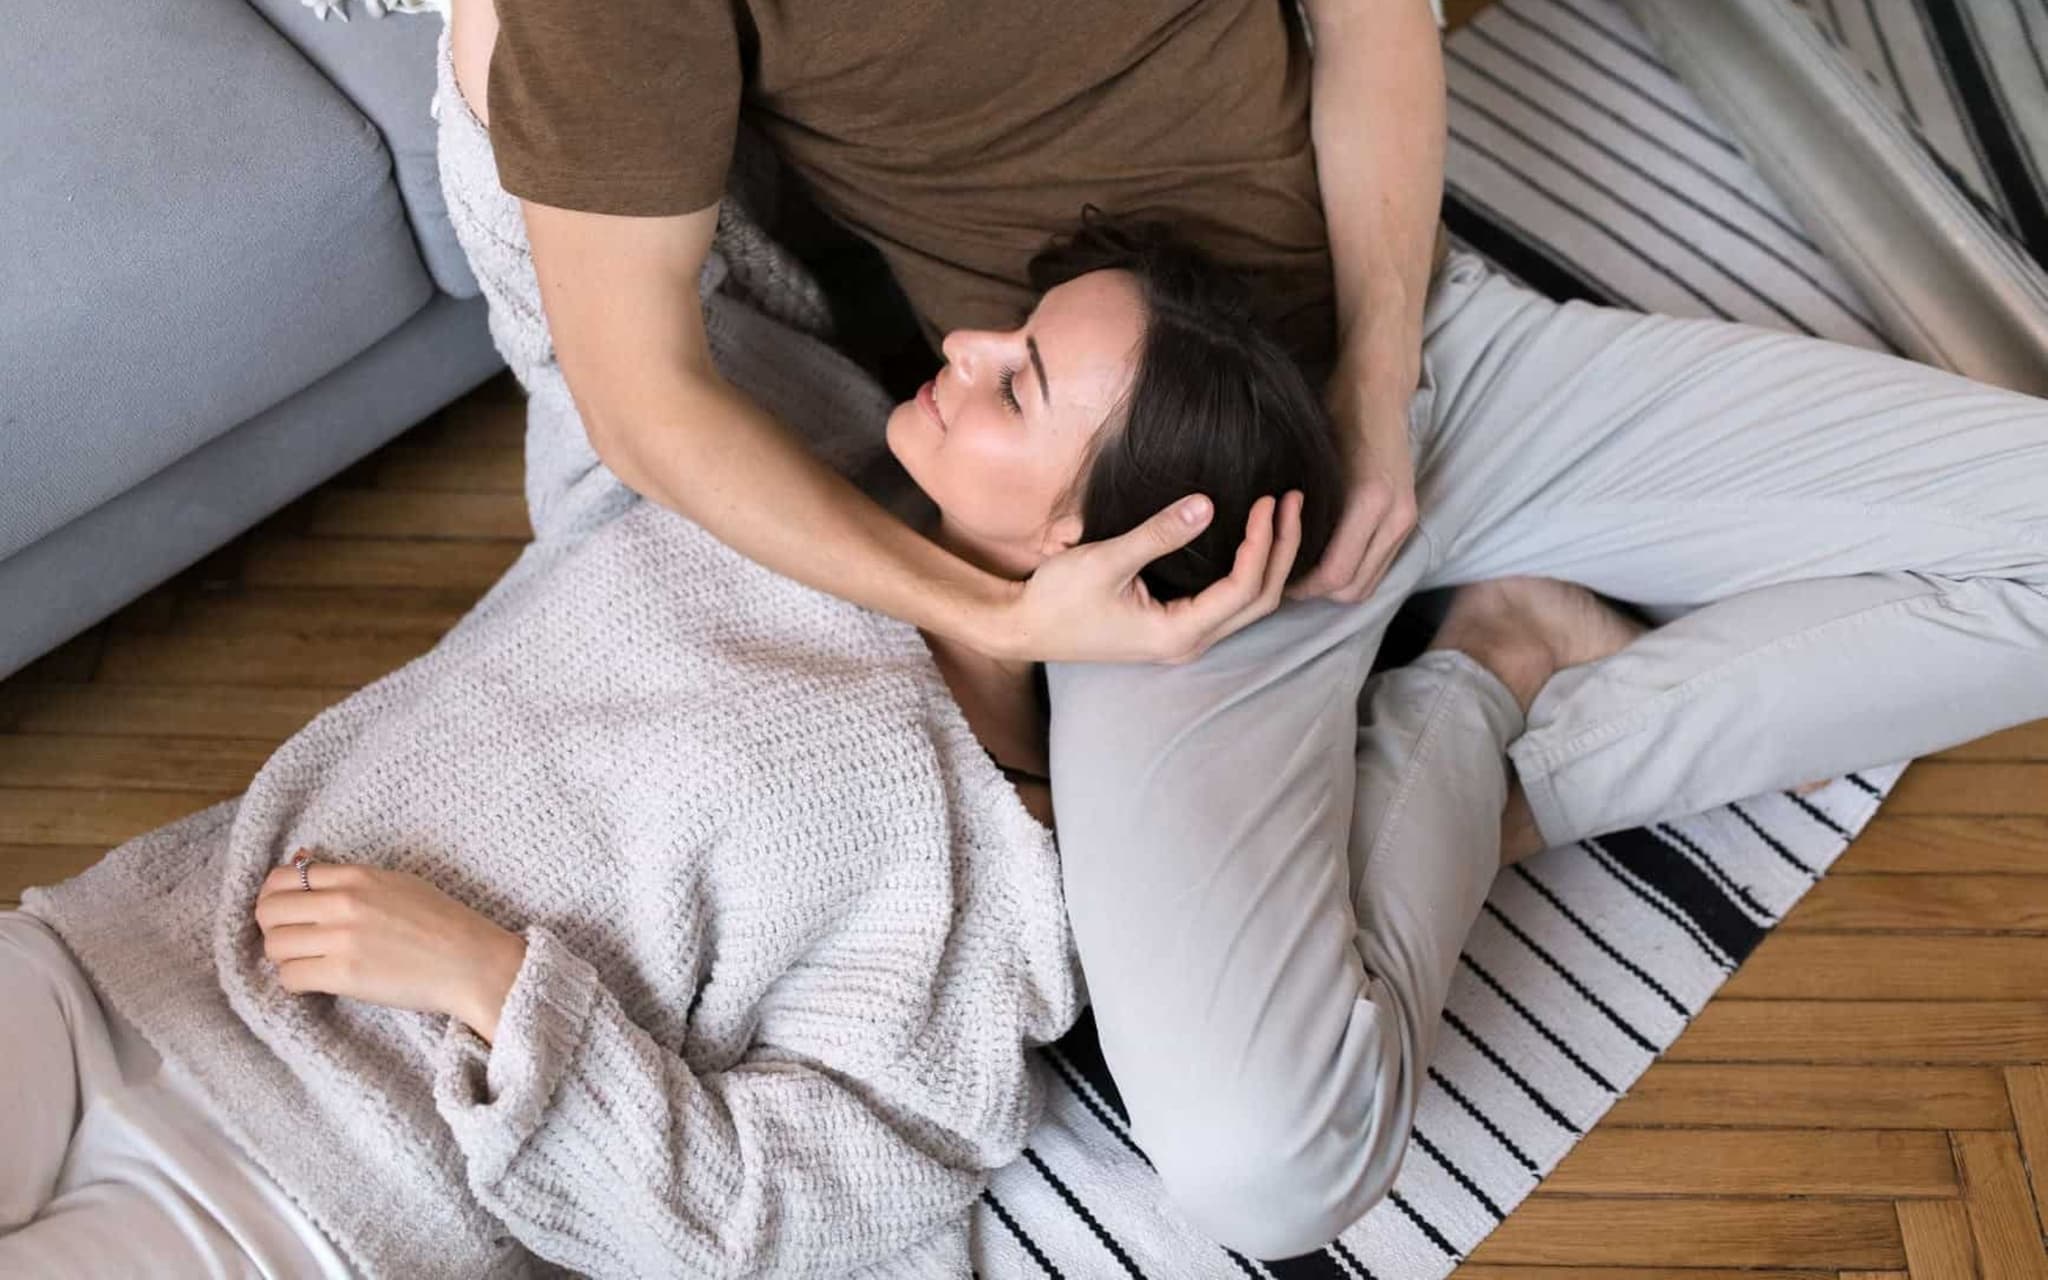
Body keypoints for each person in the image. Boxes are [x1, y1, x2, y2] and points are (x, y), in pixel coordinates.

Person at [5, 212, 1496, 1278]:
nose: (967, 349)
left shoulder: (982, 883)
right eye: (1009, 332)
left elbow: (766, 1211)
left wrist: (493, 986)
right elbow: (596, 257)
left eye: (1020, 381)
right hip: (117, 958)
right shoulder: (787, 472)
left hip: (300, 1195)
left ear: (1090, 537)